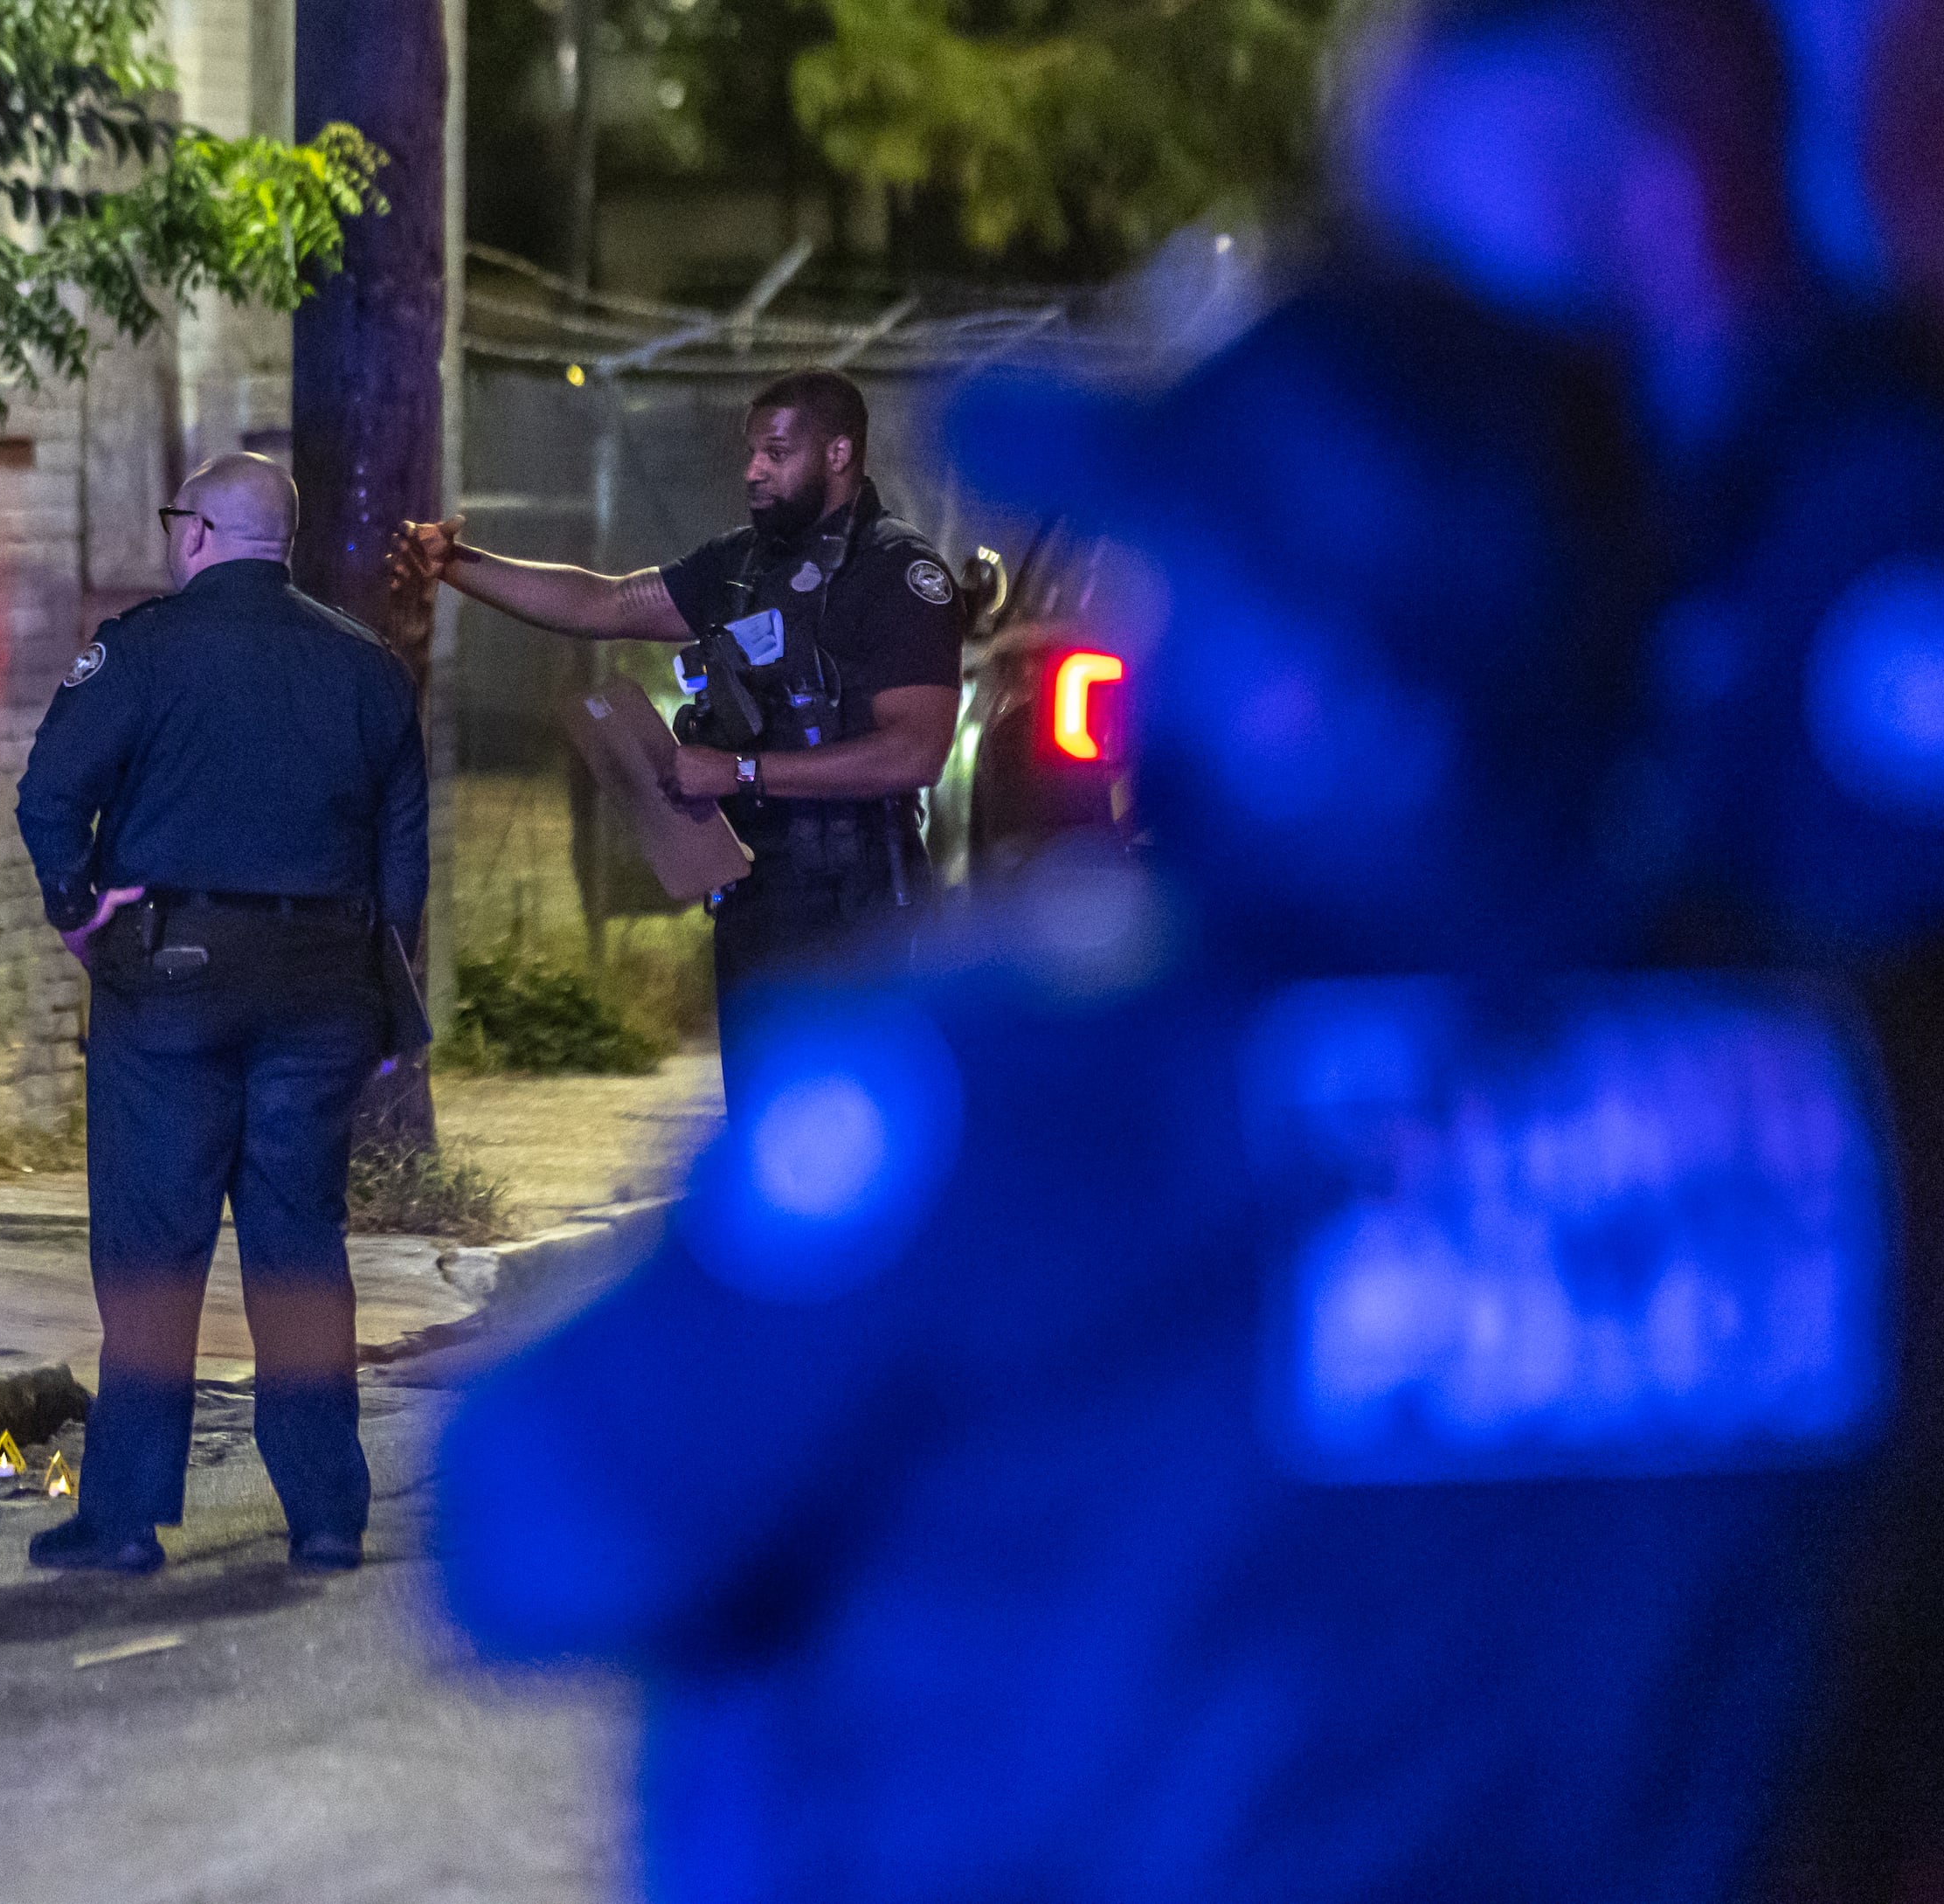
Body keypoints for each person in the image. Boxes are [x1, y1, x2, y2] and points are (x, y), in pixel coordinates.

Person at [433, 36, 1895, 1892]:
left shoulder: (1029, 1093)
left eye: (1177, 576)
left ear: (1304, 681)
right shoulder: (1823, 1090)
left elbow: (542, 1525)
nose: (1125, 624)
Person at [11, 452, 427, 1575]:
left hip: (172, 981)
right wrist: (385, 1014)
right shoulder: (368, 669)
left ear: (197, 532)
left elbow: (49, 795)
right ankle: (329, 1514)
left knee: (155, 1246)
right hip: (323, 986)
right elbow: (403, 871)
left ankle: (128, 1516)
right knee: (300, 1249)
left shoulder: (142, 652)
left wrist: (82, 917)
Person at [388, 370, 968, 1080]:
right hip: (756, 901)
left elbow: (916, 753)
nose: (752, 469)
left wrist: (741, 771)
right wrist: (456, 566)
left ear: (840, 454)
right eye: (751, 450)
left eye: (776, 453)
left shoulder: (897, 573)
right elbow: (610, 604)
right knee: (762, 1135)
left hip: (865, 914)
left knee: (866, 1143)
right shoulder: (742, 565)